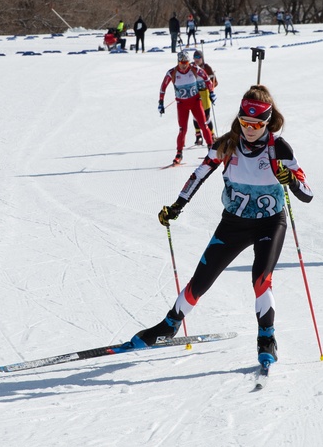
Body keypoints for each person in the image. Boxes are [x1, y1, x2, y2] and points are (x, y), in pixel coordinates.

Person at [133, 85, 313, 368]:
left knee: (261, 280)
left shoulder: (278, 147)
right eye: (244, 122)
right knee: (201, 280)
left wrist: (288, 178)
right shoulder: (227, 144)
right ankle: (170, 325)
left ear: (268, 122)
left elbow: (307, 194)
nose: (250, 129)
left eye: (256, 124)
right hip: (234, 224)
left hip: (269, 223)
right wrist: (177, 206)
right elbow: (199, 174)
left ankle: (266, 338)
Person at [158, 50, 214, 165]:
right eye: (181, 63)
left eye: (186, 63)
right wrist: (161, 102)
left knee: (204, 125)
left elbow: (207, 79)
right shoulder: (172, 72)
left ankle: (211, 149)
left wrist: (212, 93)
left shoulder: (194, 69)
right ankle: (179, 153)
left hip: (195, 102)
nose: (184, 66)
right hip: (182, 105)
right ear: (178, 62)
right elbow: (163, 86)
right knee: (182, 129)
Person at [192, 50, 217, 145]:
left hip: (205, 93)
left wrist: (211, 90)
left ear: (202, 58)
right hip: (194, 95)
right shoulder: (191, 67)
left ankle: (212, 134)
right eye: (195, 58)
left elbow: (215, 82)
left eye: (199, 58)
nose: (197, 60)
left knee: (206, 116)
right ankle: (198, 135)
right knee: (195, 116)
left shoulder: (206, 68)